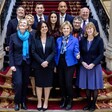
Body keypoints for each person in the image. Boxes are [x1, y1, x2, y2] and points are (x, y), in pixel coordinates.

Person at [78, 22, 104, 111]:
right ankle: (88, 104)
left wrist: (93, 64)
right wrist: (82, 62)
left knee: (94, 87)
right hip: (85, 66)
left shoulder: (99, 40)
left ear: (94, 30)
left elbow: (101, 54)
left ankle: (93, 104)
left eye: (91, 28)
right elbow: (79, 53)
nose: (89, 30)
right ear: (85, 30)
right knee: (87, 86)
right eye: (87, 28)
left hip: (95, 66)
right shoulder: (82, 40)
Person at [55, 21, 80, 110]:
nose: (66, 30)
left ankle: (70, 101)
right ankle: (64, 99)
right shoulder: (58, 39)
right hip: (60, 63)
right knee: (61, 83)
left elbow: (76, 50)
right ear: (61, 30)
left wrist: (77, 54)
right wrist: (55, 63)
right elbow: (56, 52)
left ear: (70, 30)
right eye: (64, 28)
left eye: (67, 28)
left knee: (68, 83)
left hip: (70, 64)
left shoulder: (75, 39)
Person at [31, 21, 55, 111]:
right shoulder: (35, 38)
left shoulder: (51, 38)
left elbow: (53, 51)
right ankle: (39, 102)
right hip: (38, 65)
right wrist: (41, 62)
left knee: (47, 85)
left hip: (48, 66)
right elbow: (33, 52)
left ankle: (45, 102)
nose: (44, 28)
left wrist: (47, 61)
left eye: (46, 26)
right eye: (42, 27)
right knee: (39, 85)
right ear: (39, 29)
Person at [9, 19, 32, 111]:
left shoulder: (30, 36)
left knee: (25, 83)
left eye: (24, 23)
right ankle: (17, 102)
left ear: (27, 26)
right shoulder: (13, 36)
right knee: (18, 83)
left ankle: (23, 102)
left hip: (27, 63)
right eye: (21, 23)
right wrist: (12, 64)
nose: (23, 24)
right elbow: (10, 52)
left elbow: (32, 50)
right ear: (18, 26)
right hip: (17, 64)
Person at [25, 14, 36, 97]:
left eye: (31, 19)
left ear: (33, 21)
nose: (29, 20)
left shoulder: (35, 32)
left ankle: (34, 90)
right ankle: (31, 90)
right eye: (27, 18)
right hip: (26, 56)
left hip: (34, 56)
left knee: (33, 75)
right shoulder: (22, 32)